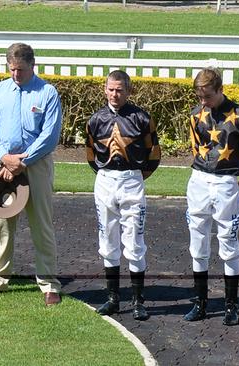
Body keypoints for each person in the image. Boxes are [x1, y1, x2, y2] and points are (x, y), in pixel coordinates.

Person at [183, 67, 239, 325]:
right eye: (200, 97)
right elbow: (195, 148)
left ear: (220, 90)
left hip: (227, 182)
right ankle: (200, 303)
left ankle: (231, 306)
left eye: (208, 97)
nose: (204, 102)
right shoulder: (195, 115)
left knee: (228, 242)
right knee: (198, 242)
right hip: (200, 180)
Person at [86, 70, 161, 320]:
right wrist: (107, 174)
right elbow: (91, 155)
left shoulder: (141, 118)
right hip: (105, 181)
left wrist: (136, 176)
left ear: (129, 91)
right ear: (104, 89)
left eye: (120, 90)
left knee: (135, 241)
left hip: (132, 181)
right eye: (111, 89)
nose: (115, 94)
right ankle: (113, 299)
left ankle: (139, 301)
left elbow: (154, 154)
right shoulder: (95, 119)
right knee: (107, 239)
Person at [0, 43, 63, 305]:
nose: (16, 75)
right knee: (1, 224)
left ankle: (49, 283)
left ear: (32, 65)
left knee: (41, 225)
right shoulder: (0, 91)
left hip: (35, 166)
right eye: (11, 69)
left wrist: (23, 162)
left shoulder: (47, 92)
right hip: (2, 164)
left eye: (21, 70)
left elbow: (49, 136)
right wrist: (4, 157)